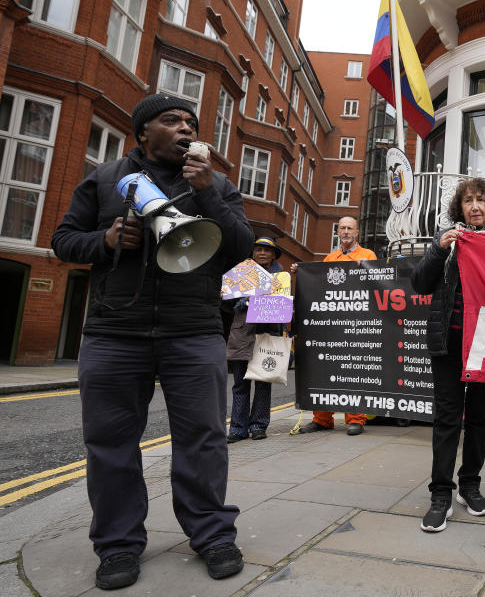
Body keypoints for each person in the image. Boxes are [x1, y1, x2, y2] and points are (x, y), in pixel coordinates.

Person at [51, 93, 251, 589]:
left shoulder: (217, 184)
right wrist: (106, 241)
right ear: (143, 132)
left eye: (190, 122)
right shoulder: (104, 180)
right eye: (171, 121)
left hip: (194, 330)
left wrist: (206, 194)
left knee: (204, 440)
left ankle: (212, 534)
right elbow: (63, 239)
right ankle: (118, 546)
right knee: (112, 445)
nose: (185, 129)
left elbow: (242, 249)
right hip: (115, 332)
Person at [411, 178, 485, 532]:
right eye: (469, 201)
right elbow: (419, 284)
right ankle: (440, 495)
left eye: (481, 200)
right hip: (449, 343)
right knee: (447, 419)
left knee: (479, 419)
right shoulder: (447, 241)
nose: (475, 206)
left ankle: (470, 486)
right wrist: (437, 248)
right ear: (460, 208)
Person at [297, 215, 377, 436]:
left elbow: (378, 284)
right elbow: (318, 287)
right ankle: (321, 419)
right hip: (331, 325)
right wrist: (302, 274)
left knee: (353, 370)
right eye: (342, 228)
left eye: (350, 228)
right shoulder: (329, 258)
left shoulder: (368, 255)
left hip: (356, 324)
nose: (345, 231)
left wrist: (369, 268)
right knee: (326, 368)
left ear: (357, 232)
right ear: (338, 232)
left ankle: (356, 419)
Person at [226, 237, 286, 443]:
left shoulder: (281, 279)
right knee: (240, 385)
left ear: (273, 255)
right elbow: (227, 302)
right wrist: (240, 299)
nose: (261, 253)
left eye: (266, 251)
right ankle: (237, 429)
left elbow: (285, 308)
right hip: (243, 334)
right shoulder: (241, 274)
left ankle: (259, 426)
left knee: (262, 383)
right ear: (252, 253)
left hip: (267, 335)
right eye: (258, 250)